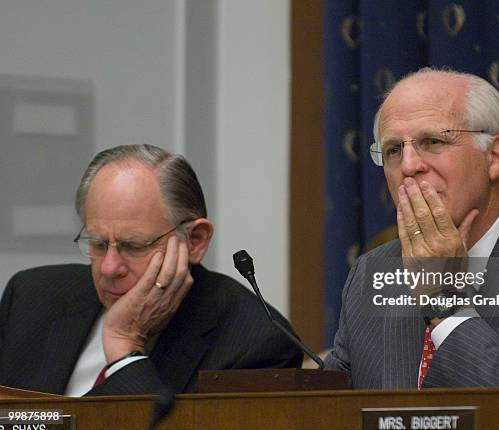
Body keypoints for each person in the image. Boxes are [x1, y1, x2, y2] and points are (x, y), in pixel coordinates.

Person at [324, 67, 499, 388]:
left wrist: (443, 298)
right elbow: (331, 405)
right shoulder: (372, 271)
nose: (407, 166)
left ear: (494, 156)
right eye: (393, 150)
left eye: (432, 141)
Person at [0, 144, 302, 396]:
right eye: (98, 243)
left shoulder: (256, 344)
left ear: (195, 241)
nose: (109, 268)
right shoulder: (30, 297)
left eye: (134, 246)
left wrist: (124, 347)